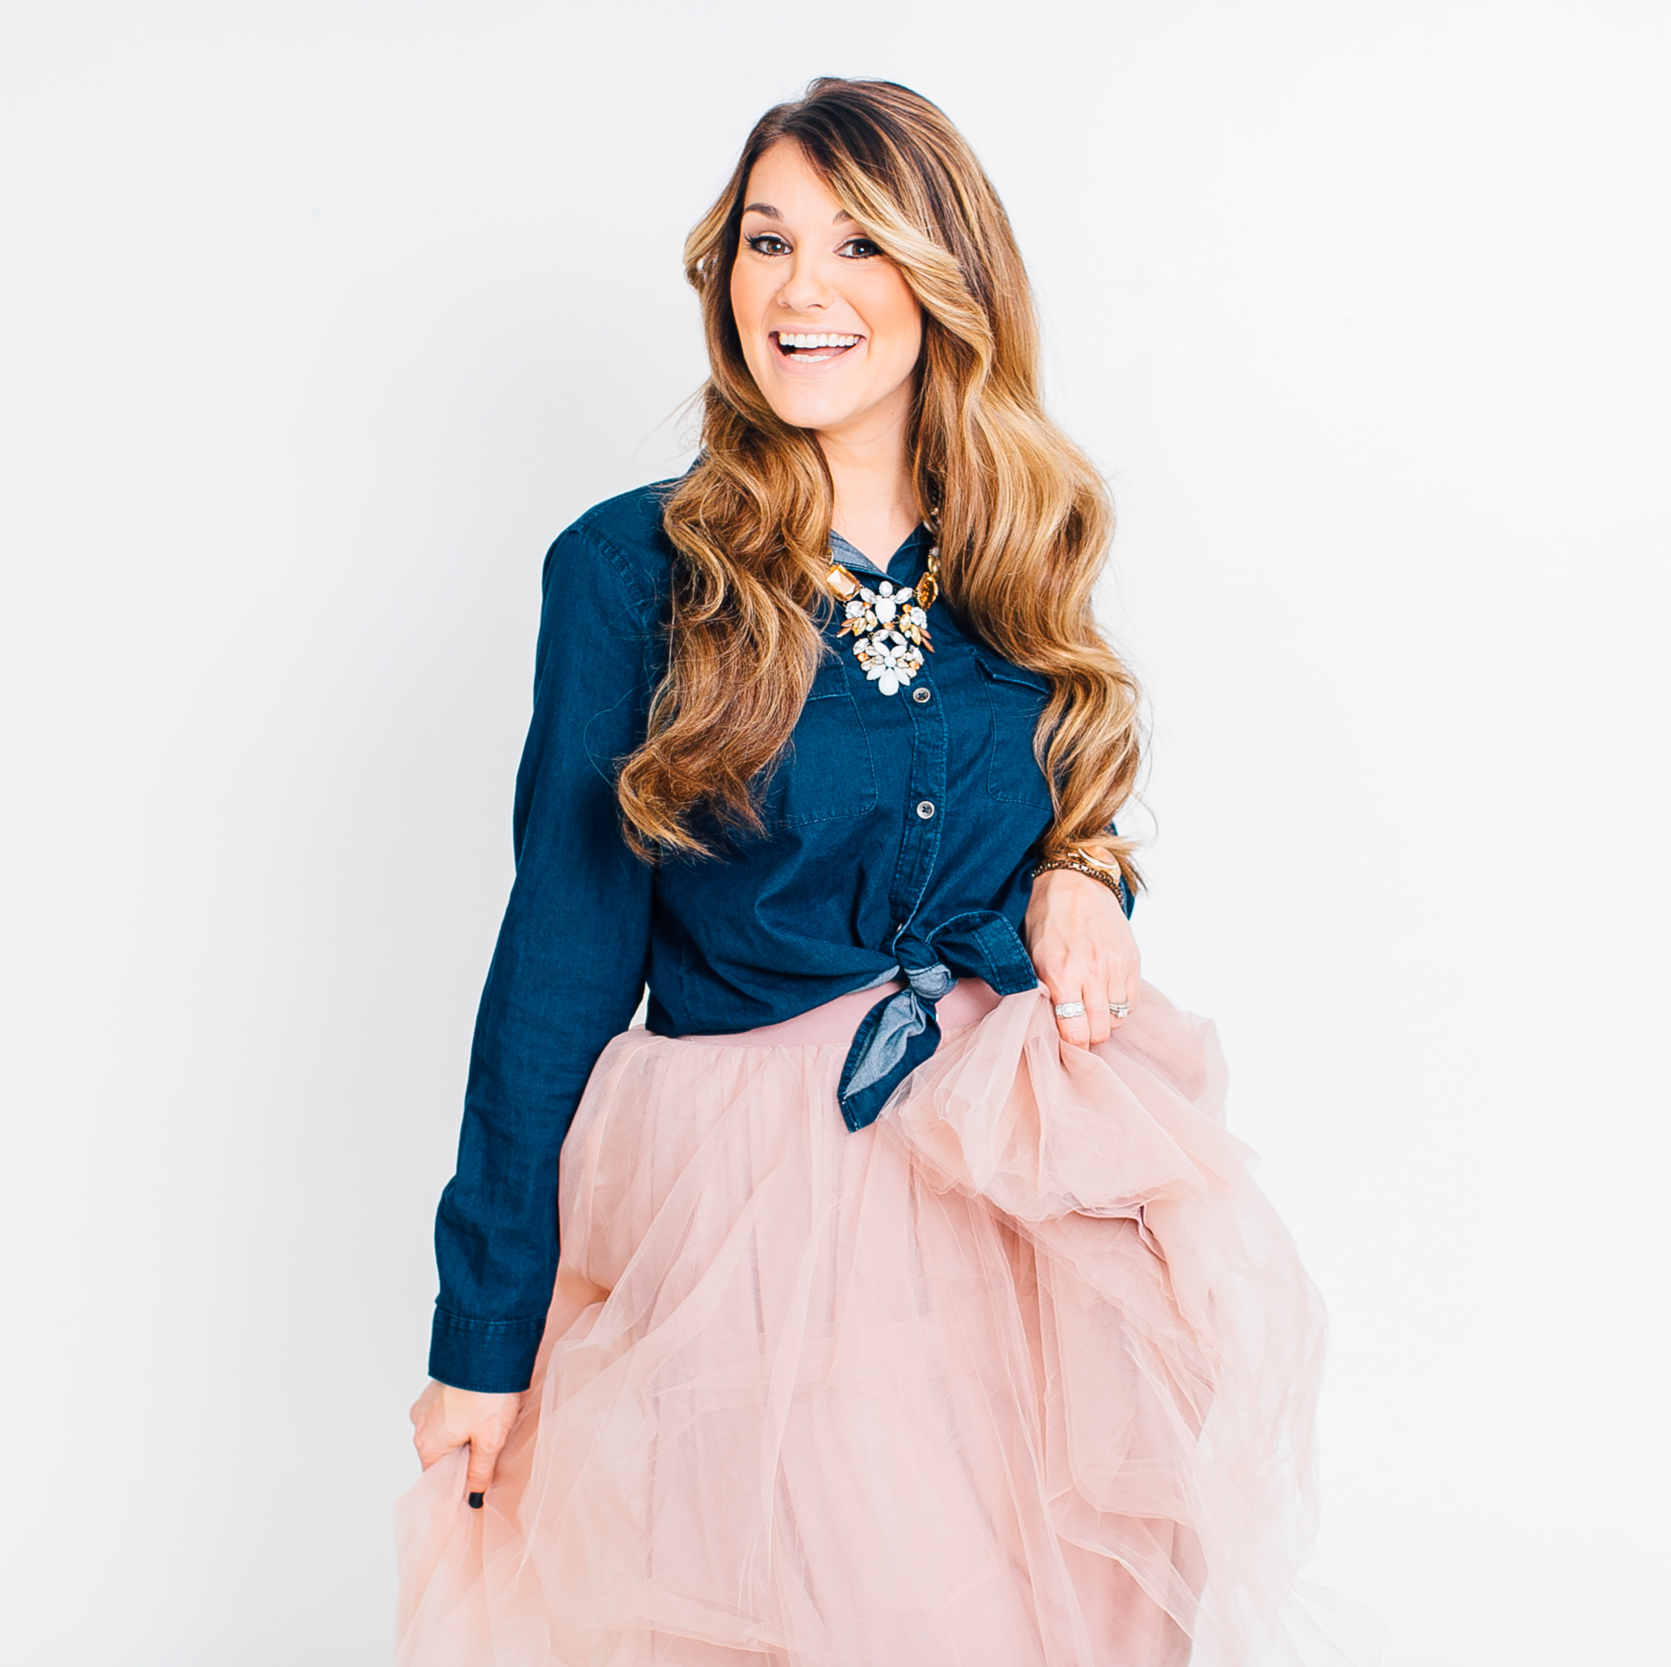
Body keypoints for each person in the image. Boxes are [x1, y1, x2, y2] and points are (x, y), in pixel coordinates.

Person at [396, 78, 1330, 1667]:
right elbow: (557, 955)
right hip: (757, 1229)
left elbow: (1051, 809)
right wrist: (484, 1329)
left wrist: (1086, 875)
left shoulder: (1021, 544)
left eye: (854, 244)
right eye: (766, 243)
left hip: (1014, 1211)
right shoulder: (633, 571)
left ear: (942, 280)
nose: (798, 288)